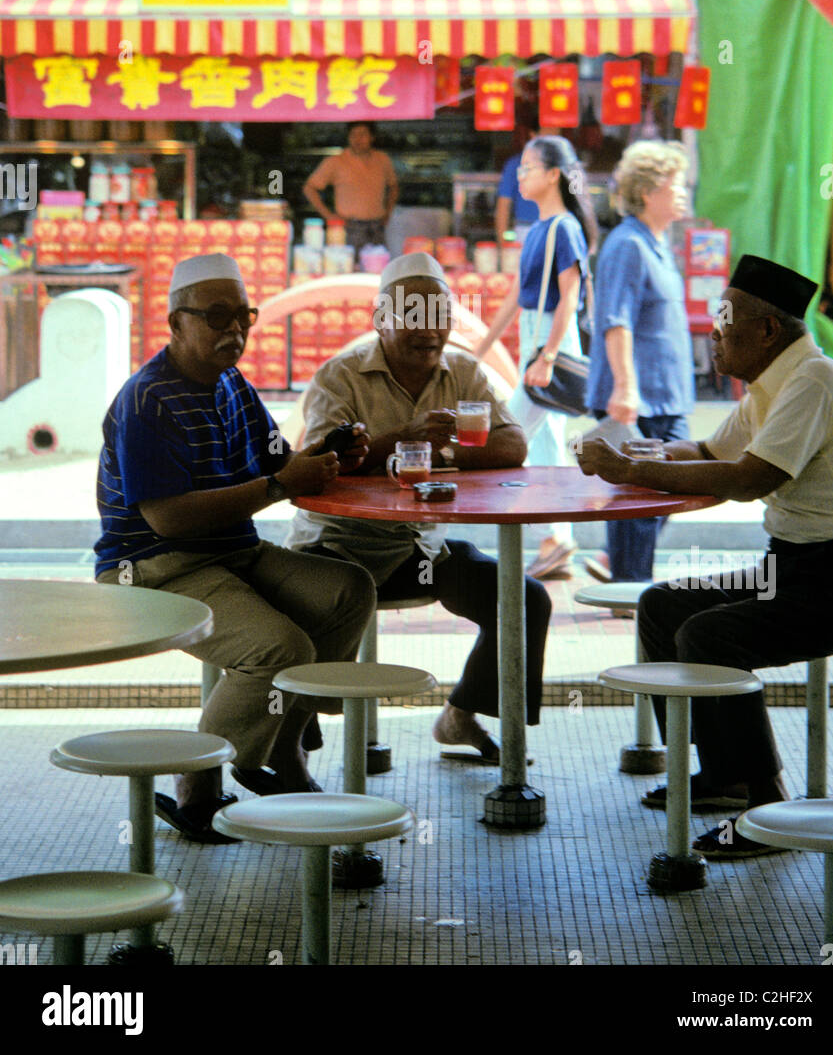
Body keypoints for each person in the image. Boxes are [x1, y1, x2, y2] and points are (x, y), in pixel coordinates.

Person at [579, 255, 833, 860]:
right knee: (661, 606)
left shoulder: (813, 379)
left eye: (725, 323)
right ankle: (723, 774)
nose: (714, 335)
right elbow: (708, 450)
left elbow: (749, 476)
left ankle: (766, 806)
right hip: (790, 566)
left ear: (766, 331)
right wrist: (643, 449)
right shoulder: (772, 384)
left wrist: (631, 470)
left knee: (711, 635)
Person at [94, 252, 375, 842]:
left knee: (347, 590)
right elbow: (168, 518)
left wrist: (331, 452)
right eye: (216, 317)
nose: (235, 331)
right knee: (280, 648)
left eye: (243, 317)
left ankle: (278, 748)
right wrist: (277, 487)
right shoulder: (147, 401)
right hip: (154, 564)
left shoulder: (232, 384)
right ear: (175, 324)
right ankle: (196, 789)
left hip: (231, 552)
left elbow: (281, 460)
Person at [286, 251, 552, 762]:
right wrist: (403, 440)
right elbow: (320, 463)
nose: (429, 331)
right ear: (380, 320)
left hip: (420, 549)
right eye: (413, 317)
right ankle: (294, 743)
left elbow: (513, 445)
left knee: (525, 599)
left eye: (440, 317)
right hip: (339, 545)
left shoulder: (464, 373)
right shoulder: (339, 377)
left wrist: (440, 452)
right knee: (332, 597)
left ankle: (460, 715)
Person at [475, 135, 598, 581]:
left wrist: (546, 356)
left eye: (528, 167)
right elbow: (515, 296)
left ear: (553, 175)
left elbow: (570, 299)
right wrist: (482, 348)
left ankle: (481, 521)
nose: (520, 174)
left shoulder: (564, 228)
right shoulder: (539, 230)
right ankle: (556, 540)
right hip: (536, 336)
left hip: (551, 341)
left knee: (504, 435)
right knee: (546, 449)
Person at [584, 140, 694, 585]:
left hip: (667, 396)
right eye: (676, 184)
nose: (684, 192)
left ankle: (621, 568)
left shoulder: (658, 243)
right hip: (638, 398)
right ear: (648, 191)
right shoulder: (627, 244)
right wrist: (625, 387)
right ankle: (630, 592)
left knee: (669, 486)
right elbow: (615, 321)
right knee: (641, 501)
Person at [303, 121, 398, 256]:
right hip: (349, 228)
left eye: (363, 134)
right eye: (353, 135)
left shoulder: (382, 159)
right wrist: (328, 216)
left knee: (378, 271)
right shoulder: (336, 161)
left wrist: (388, 212)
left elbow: (393, 186)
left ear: (372, 137)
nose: (357, 139)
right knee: (347, 271)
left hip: (377, 227)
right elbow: (309, 188)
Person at [494, 124, 560, 246]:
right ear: (533, 136)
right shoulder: (515, 165)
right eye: (547, 136)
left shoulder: (566, 167)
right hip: (525, 232)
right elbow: (503, 206)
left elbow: (577, 202)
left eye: (556, 136)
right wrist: (503, 245)